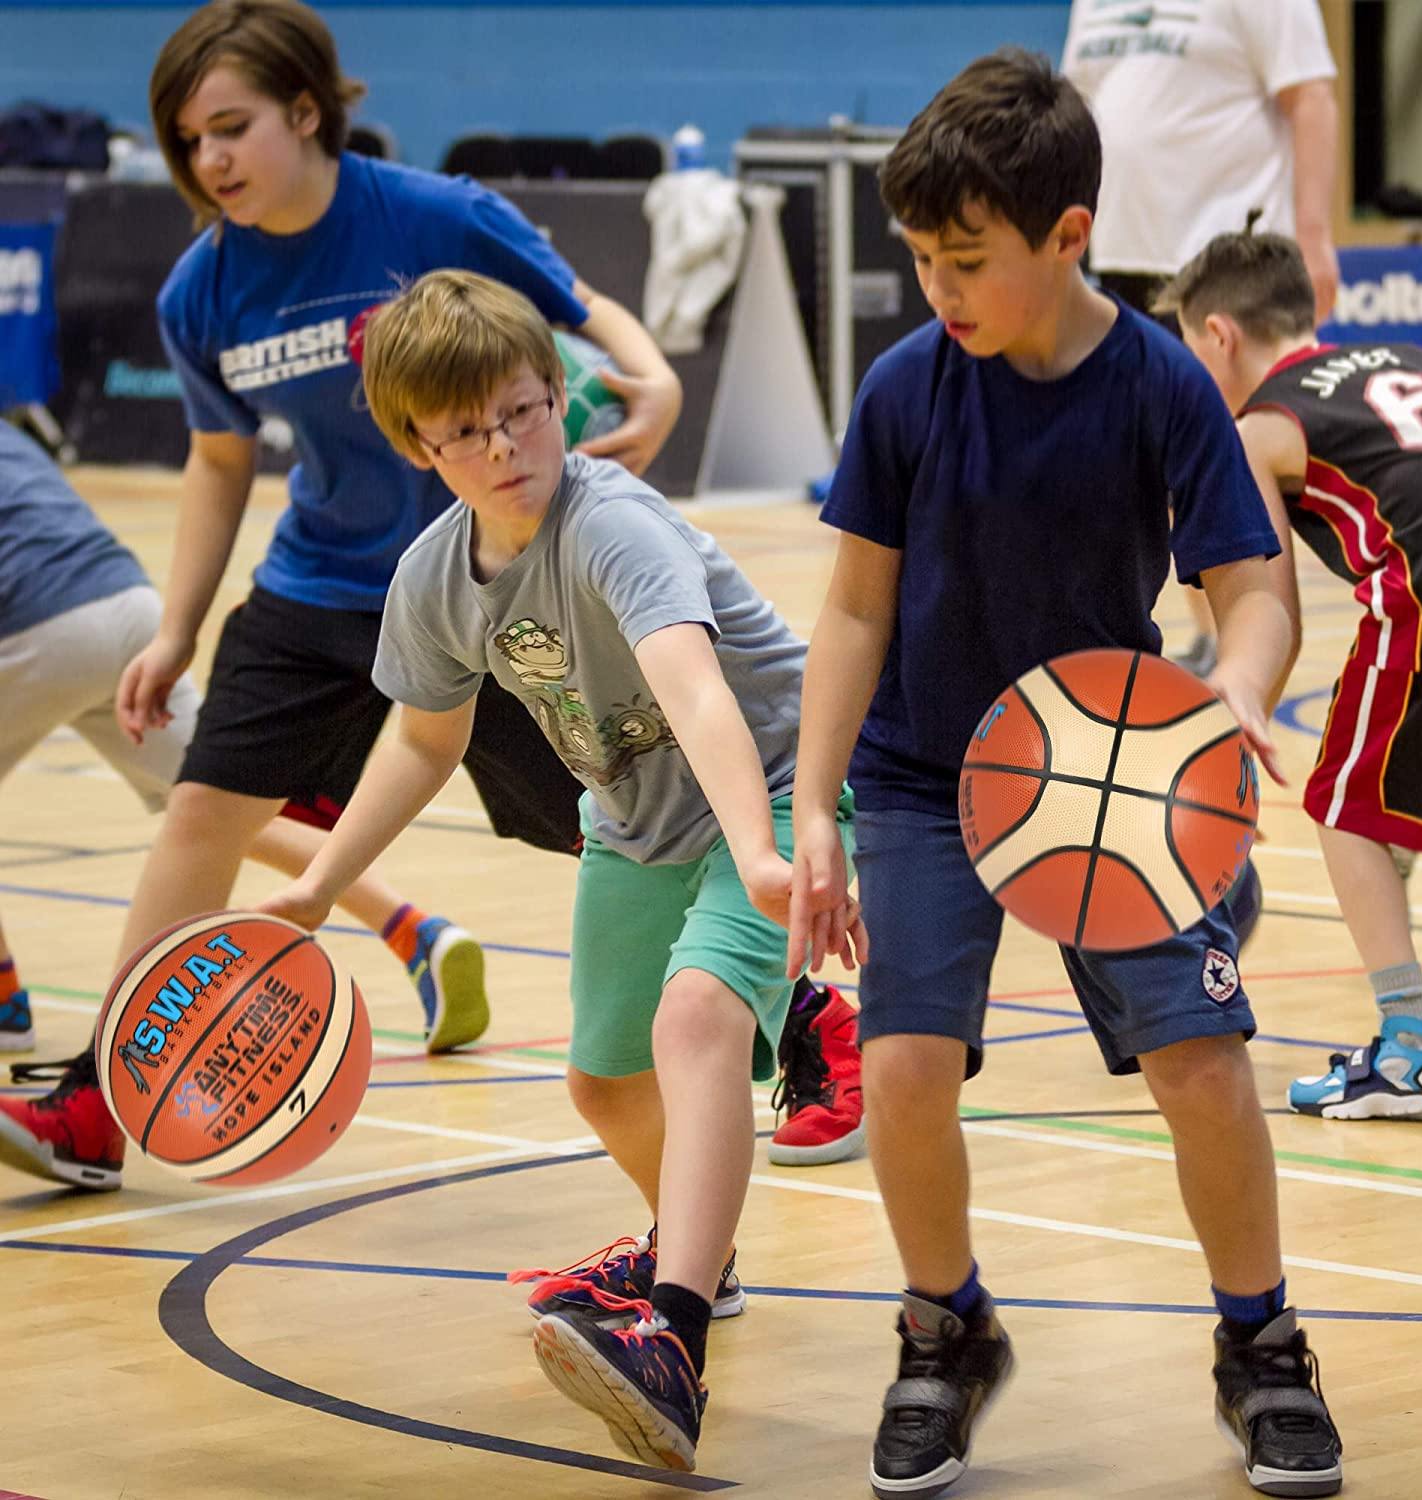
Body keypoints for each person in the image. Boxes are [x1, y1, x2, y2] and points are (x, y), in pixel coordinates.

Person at [0, 0, 684, 1189]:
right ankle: (108, 1102)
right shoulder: (200, 293)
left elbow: (583, 308)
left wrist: (657, 380)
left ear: (306, 112)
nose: (210, 160)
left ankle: (793, 1014)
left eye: (231, 127)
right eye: (188, 140)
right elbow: (221, 465)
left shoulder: (430, 216)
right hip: (317, 586)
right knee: (201, 815)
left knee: (596, 827)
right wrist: (174, 629)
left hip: (489, 582)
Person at [786, 50, 1342, 1500]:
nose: (936, 289)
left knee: (1205, 1069)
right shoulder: (908, 388)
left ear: (1071, 237)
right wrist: (813, 809)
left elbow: (1255, 589)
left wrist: (1231, 696)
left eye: (966, 260)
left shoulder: (1161, 384)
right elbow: (852, 609)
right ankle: (942, 1327)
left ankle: (1262, 1344)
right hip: (921, 774)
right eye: (918, 259)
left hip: (1116, 773)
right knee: (904, 1071)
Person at [256, 268, 861, 1473]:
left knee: (693, 1024)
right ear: (417, 444)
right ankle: (701, 1253)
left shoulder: (615, 524)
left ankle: (673, 1336)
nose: (505, 444)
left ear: (558, 395)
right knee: (603, 1083)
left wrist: (759, 846)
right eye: (468, 431)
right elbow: (425, 740)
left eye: (526, 410)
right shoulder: (434, 579)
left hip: (783, 784)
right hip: (635, 818)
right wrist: (321, 881)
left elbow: (697, 691)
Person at [0, 419, 482, 1190]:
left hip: (32, 623)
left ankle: (8, 1008)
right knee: (214, 811)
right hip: (124, 611)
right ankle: (413, 929)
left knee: (210, 814)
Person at [1158, 226, 1422, 1121]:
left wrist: (1244, 706)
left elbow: (1276, 607)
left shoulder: (1261, 424)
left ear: (1220, 335)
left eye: (1193, 349)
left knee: (1340, 805)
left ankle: (1412, 1042)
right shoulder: (1413, 357)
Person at [1063, 0, 1339, 678]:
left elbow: (1312, 99)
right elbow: (1076, 106)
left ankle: (1246, 639)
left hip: (1217, 258)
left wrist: (1314, 235)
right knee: (1148, 465)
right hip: (1121, 253)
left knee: (1224, 463)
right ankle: (1208, 634)